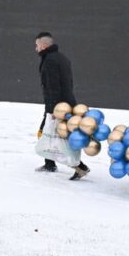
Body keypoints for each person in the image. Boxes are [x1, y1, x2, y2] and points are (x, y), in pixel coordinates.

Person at [35, 31, 90, 180]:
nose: (36, 48)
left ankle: (80, 167)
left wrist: (54, 110)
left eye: (37, 45)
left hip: (57, 106)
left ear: (44, 45)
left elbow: (53, 87)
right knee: (49, 134)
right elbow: (68, 84)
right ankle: (49, 164)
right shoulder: (62, 58)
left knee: (55, 136)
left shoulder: (49, 61)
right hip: (67, 103)